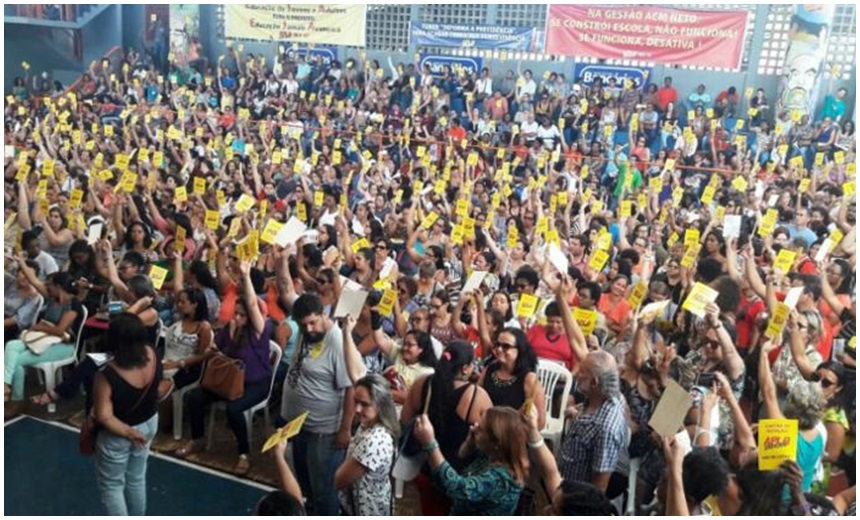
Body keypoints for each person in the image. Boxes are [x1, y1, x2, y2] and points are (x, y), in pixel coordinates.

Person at [178, 261, 274, 476]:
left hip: (254, 383)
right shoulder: (229, 328)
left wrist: (246, 276)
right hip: (229, 380)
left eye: (242, 315)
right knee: (195, 397)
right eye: (236, 314)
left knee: (234, 409)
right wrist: (213, 349)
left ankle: (244, 454)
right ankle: (198, 439)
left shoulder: (260, 331)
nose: (237, 318)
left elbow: (250, 301)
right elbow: (215, 347)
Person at [281, 292, 354, 516]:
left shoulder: (338, 342)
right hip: (298, 425)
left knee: (324, 490)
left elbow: (352, 387)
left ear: (324, 315)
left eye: (313, 323)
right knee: (306, 485)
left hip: (324, 431)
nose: (309, 329)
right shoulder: (308, 333)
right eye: (304, 325)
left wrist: (345, 429)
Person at [401, 340, 493, 515]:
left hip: (426, 469)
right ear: (466, 368)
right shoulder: (476, 396)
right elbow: (490, 438)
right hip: (458, 476)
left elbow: (405, 420)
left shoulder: (422, 383)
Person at [92, 312, 162, 516]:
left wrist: (129, 432)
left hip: (119, 433)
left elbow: (104, 416)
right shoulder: (152, 353)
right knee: (136, 477)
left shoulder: (107, 374)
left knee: (112, 486)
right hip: (149, 423)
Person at [413, 407, 529, 515]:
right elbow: (460, 458)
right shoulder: (492, 455)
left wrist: (430, 444)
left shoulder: (500, 479)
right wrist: (469, 445)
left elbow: (457, 488)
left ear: (496, 443)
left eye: (481, 429)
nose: (474, 428)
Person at [4, 266, 84, 410]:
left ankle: (15, 400)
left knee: (15, 360)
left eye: (50, 284)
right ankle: (6, 385)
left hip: (62, 346)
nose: (46, 286)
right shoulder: (52, 298)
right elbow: (33, 280)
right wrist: (21, 260)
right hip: (42, 339)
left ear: (58, 286)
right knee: (11, 346)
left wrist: (39, 327)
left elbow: (60, 330)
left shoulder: (73, 305)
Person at [558, 350, 628, 494]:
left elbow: (599, 487)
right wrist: (577, 414)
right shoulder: (602, 397)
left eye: (582, 372)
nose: (577, 374)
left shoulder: (606, 428)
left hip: (574, 496)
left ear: (595, 382)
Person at [480, 327, 547, 431]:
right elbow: (476, 399)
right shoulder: (489, 369)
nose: (499, 349)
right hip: (485, 431)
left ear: (519, 350)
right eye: (497, 345)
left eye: (506, 346)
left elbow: (540, 422)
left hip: (513, 436)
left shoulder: (529, 379)